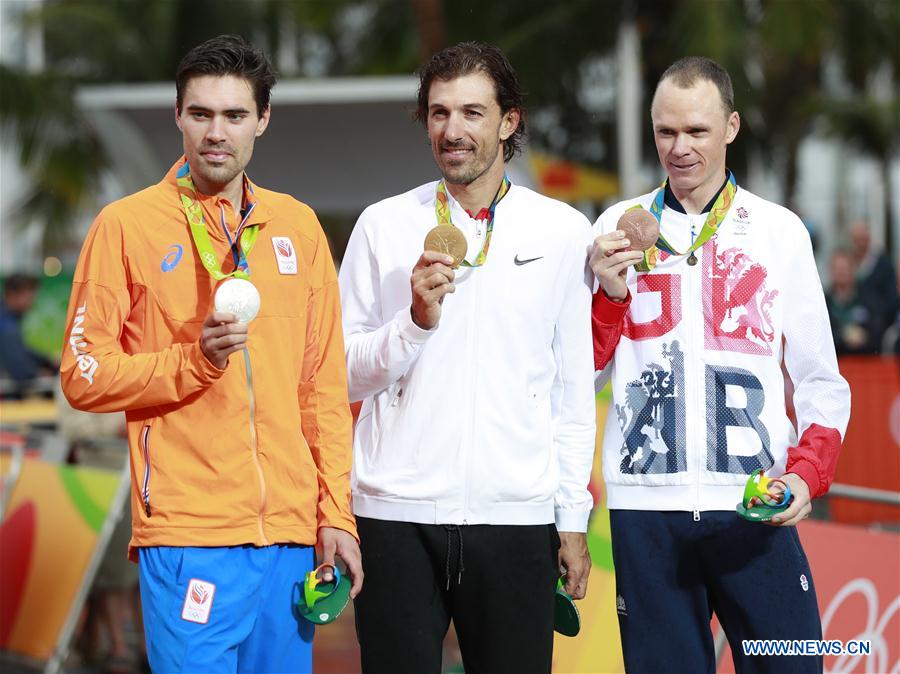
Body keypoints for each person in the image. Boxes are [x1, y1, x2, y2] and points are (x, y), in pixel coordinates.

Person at [59, 35, 361, 674]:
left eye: (234, 115)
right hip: (189, 533)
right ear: (178, 115)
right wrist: (190, 362)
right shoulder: (125, 226)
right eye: (200, 114)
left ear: (263, 119)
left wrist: (336, 514)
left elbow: (323, 391)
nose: (216, 133)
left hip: (289, 539)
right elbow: (83, 374)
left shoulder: (298, 227)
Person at [339, 42, 595, 674]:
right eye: (439, 112)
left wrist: (571, 515)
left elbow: (571, 391)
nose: (452, 130)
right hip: (394, 517)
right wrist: (412, 325)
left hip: (516, 518)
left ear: (509, 121)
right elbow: (339, 371)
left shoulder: (563, 231)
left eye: (472, 113)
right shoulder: (382, 224)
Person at [589, 56, 851, 673]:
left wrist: (806, 474)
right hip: (646, 510)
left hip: (754, 503)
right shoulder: (613, 229)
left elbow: (820, 378)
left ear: (731, 127)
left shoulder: (780, 231)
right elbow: (580, 374)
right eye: (665, 131)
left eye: (697, 131)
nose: (679, 148)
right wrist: (609, 298)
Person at [0, 273, 58, 397]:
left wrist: (47, 361)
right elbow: (19, 369)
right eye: (28, 297)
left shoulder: (8, 318)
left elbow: (20, 350)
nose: (32, 302)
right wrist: (39, 374)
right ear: (12, 294)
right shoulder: (6, 324)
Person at [848, 220, 897, 349]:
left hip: (877, 329)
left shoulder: (884, 265)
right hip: (851, 328)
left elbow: (891, 299)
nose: (860, 243)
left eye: (863, 238)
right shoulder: (848, 264)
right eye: (856, 239)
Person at [824, 249, 883, 355]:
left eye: (844, 268)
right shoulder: (824, 303)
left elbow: (878, 329)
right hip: (837, 359)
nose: (841, 272)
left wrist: (863, 335)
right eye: (837, 269)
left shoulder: (867, 298)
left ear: (853, 269)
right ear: (831, 271)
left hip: (866, 359)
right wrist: (843, 337)